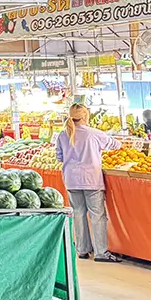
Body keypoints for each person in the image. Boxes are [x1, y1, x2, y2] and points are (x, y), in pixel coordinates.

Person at [55, 103, 122, 262]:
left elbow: (59, 157)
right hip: (91, 180)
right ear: (85, 116)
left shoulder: (62, 135)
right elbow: (116, 145)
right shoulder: (94, 133)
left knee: (78, 214)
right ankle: (101, 252)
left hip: (71, 180)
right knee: (97, 216)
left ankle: (82, 250)